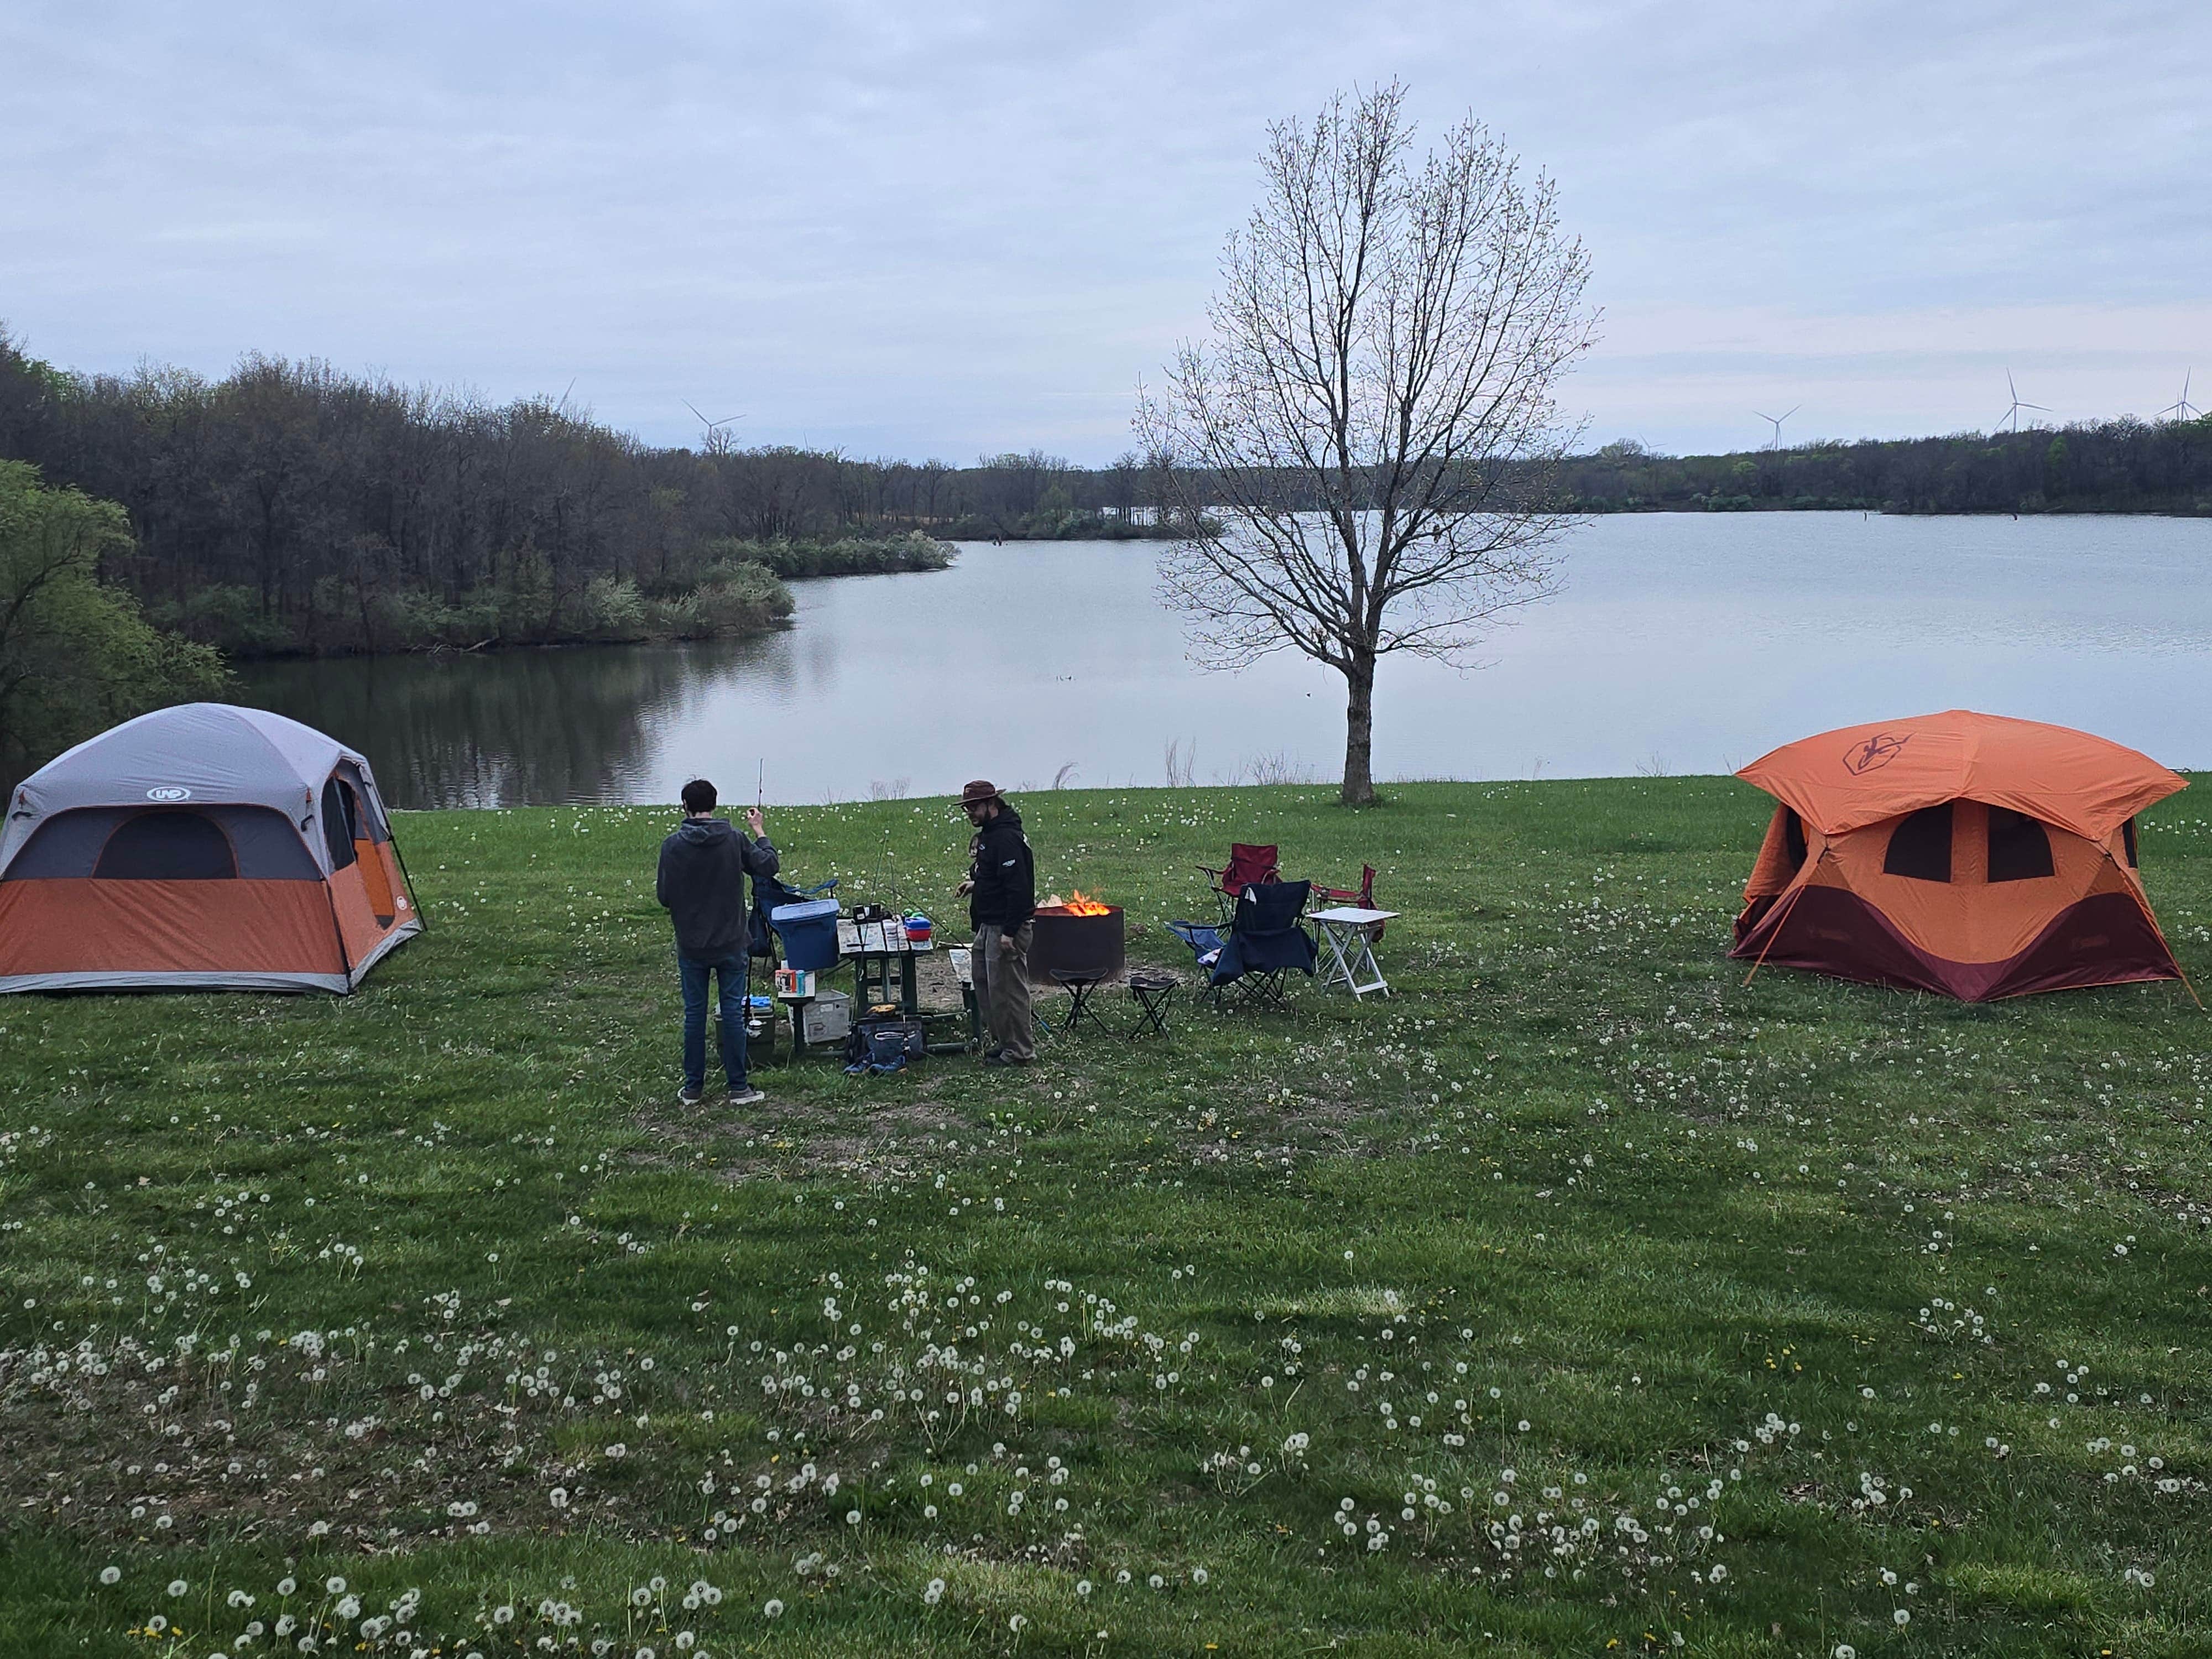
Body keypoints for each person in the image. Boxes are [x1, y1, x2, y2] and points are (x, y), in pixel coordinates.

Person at [657, 777, 778, 1105]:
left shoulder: (672, 846)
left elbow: (664, 897)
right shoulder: (733, 839)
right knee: (733, 1013)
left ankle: (693, 1088)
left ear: (685, 807)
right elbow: (768, 866)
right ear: (714, 804)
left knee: (694, 1015)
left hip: (692, 946)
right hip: (731, 943)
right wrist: (759, 830)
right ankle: (739, 1087)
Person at [955, 778, 1035, 1066]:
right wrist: (975, 883)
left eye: (974, 808)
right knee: (986, 986)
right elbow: (995, 877)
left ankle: (1020, 1052)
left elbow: (1019, 888)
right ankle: (1005, 1043)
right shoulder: (990, 835)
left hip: (1006, 926)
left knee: (1009, 992)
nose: (970, 814)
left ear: (992, 804)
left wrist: (1011, 932)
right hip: (988, 924)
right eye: (967, 809)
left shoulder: (1006, 838)